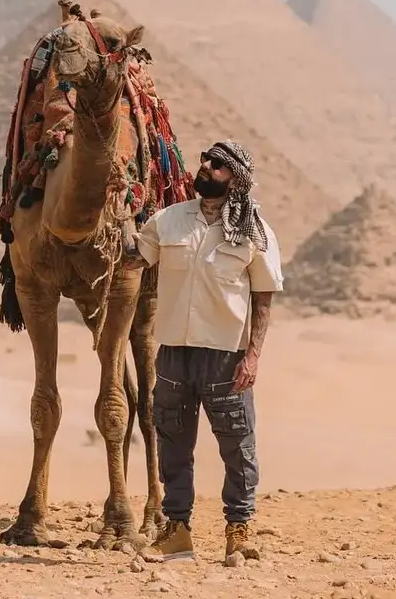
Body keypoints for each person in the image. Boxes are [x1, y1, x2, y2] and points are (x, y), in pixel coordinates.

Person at [124, 139, 284, 563]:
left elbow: (264, 297)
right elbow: (132, 261)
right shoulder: (169, 221)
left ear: (235, 177)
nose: (206, 167)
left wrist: (253, 356)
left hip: (225, 356)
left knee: (237, 444)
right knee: (172, 441)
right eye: (205, 161)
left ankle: (239, 529)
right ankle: (177, 531)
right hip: (174, 351)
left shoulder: (255, 232)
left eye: (217, 165)